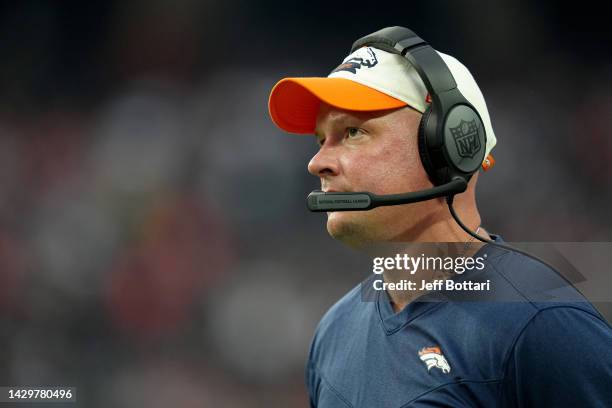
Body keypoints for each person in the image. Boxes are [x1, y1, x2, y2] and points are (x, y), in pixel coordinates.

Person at [268, 27, 612, 407]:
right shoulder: (333, 334)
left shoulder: (542, 326)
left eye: (352, 132)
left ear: (448, 146)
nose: (318, 163)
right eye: (321, 140)